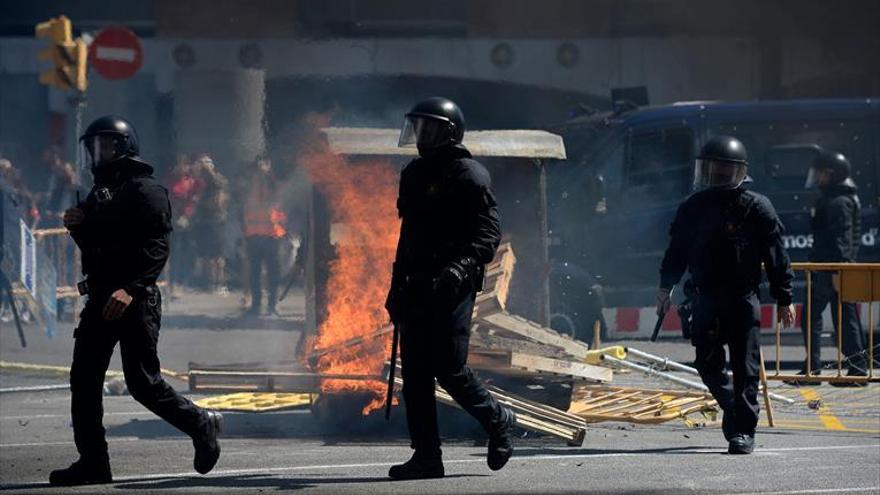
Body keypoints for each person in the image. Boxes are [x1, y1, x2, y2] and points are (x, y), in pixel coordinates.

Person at [51, 116, 222, 486]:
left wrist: (131, 289)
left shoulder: (147, 191)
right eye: (93, 146)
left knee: (143, 383)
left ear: (124, 146)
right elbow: (96, 248)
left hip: (135, 300)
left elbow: (158, 248)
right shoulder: (99, 193)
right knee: (83, 379)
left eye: (106, 145)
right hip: (100, 299)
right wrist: (79, 225)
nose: (98, 153)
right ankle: (94, 461)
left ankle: (200, 424)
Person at [385, 97, 516, 480]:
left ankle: (498, 421)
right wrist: (395, 288)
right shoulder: (413, 174)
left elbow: (488, 233)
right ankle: (427, 457)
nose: (421, 135)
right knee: (416, 376)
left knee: (449, 368)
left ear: (450, 132)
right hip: (415, 285)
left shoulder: (469, 174)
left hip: (451, 286)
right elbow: (406, 238)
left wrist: (461, 267)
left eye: (430, 128)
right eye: (418, 127)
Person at [657, 135, 795, 455]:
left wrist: (784, 297)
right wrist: (665, 287)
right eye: (711, 168)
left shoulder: (756, 207)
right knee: (706, 364)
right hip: (705, 297)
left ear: (738, 171)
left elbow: (777, 256)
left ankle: (743, 432)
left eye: (722, 169)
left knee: (745, 369)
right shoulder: (693, 207)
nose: (716, 174)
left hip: (742, 298)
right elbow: (676, 251)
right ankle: (732, 407)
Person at [793, 149, 867, 385]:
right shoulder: (839, 198)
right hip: (834, 268)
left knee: (814, 317)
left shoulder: (838, 202)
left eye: (822, 174)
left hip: (831, 269)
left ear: (833, 175)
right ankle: (855, 369)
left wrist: (836, 270)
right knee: (844, 318)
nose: (818, 179)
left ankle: (814, 370)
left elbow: (841, 239)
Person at [242, 155, 286, 316]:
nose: (262, 168)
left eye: (265, 164)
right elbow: (243, 209)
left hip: (271, 236)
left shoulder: (274, 185)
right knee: (255, 273)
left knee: (274, 273)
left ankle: (272, 305)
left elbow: (282, 206)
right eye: (259, 166)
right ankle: (256, 305)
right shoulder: (248, 186)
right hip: (253, 236)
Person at [190, 153, 229, 294]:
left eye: (207, 163)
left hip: (216, 222)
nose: (204, 166)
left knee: (217, 256)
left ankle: (220, 283)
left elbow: (218, 188)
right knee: (205, 255)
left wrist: (208, 169)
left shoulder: (219, 180)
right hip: (203, 222)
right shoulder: (199, 182)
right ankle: (208, 283)